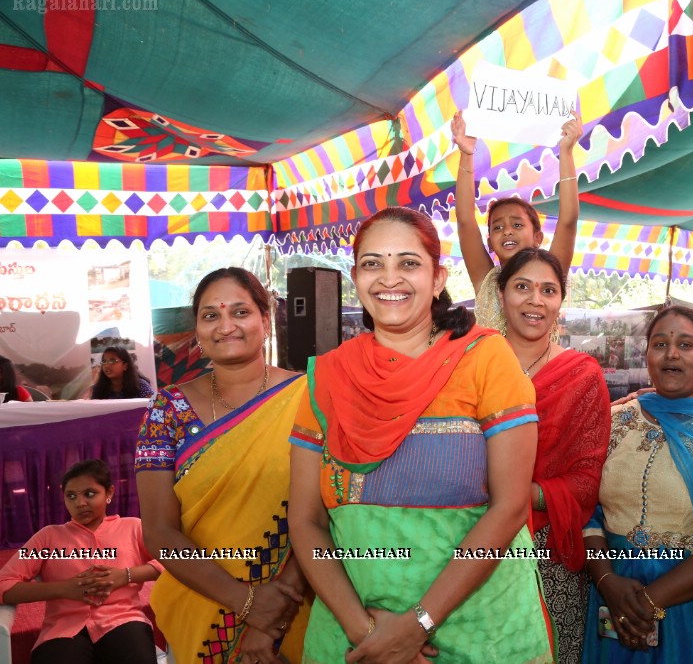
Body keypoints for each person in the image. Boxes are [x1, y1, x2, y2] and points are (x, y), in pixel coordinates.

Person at [288, 207, 554, 663]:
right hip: (354, 637)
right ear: (356, 277)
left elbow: (510, 508)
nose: (389, 278)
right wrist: (369, 633)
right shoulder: (327, 377)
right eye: (373, 263)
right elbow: (306, 521)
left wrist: (418, 625)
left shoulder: (485, 359)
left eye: (408, 263)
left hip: (480, 631)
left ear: (437, 279)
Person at [136, 267, 311, 664]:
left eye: (240, 312)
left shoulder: (310, 396)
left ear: (265, 320)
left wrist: (274, 611)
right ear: (196, 330)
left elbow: (328, 511)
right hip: (201, 606)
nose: (225, 326)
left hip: (299, 602)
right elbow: (160, 532)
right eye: (211, 315)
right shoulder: (168, 409)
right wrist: (248, 603)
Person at [582, 306, 693, 663]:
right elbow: (589, 513)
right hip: (613, 595)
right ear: (648, 357)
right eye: (660, 343)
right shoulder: (615, 419)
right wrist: (607, 580)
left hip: (684, 598)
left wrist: (650, 601)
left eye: (686, 344)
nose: (671, 353)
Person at [497, 248, 611, 664]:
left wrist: (519, 496)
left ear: (560, 300)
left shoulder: (582, 375)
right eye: (522, 287)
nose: (535, 300)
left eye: (548, 290)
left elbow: (587, 480)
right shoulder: (470, 364)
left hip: (548, 552)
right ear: (501, 293)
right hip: (468, 539)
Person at [0, 459, 162, 664]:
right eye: (71, 496)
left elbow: (174, 559)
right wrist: (65, 589)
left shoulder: (132, 528)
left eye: (89, 493)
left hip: (123, 620)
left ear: (109, 493)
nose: (80, 503)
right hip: (63, 630)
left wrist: (126, 575)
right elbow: (3, 583)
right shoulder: (48, 538)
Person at [452, 109, 582, 332]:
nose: (507, 231)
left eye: (517, 224)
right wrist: (467, 154)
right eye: (498, 227)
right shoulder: (486, 280)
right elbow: (465, 221)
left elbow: (568, 221)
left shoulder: (550, 273)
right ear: (490, 241)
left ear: (537, 237)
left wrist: (567, 153)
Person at [90, 346, 154, 400]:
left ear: (125, 366)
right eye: (104, 361)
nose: (106, 365)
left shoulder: (141, 385)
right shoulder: (98, 389)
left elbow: (157, 408)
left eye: (112, 361)